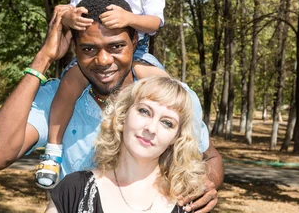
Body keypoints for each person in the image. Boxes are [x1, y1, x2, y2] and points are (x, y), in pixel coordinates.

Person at [0, 0, 222, 212]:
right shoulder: (56, 100)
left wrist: (206, 182)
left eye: (116, 46)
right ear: (74, 48)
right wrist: (44, 57)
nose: (103, 60)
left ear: (135, 41)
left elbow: (210, 157)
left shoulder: (168, 102)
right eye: (88, 49)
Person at [39, 0, 166, 189]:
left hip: (138, 50)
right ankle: (53, 151)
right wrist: (70, 18)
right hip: (92, 50)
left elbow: (154, 22)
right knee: (68, 85)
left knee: (165, 89)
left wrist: (129, 19)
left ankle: (173, 154)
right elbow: (74, 14)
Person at [46, 76, 206, 213]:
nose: (151, 128)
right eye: (144, 111)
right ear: (123, 115)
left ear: (176, 138)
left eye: (167, 123)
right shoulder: (73, 190)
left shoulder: (190, 202)